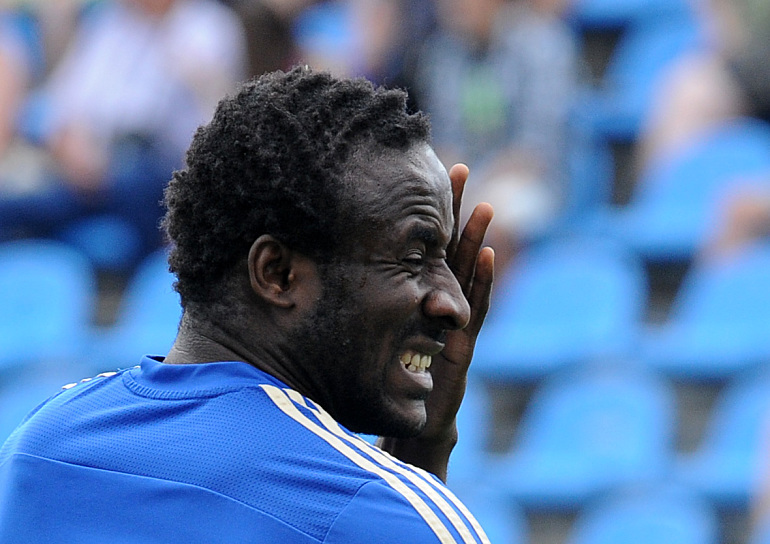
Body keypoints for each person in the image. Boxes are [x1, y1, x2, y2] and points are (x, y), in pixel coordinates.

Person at [0, 67, 495, 543]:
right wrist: (410, 497)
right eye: (414, 258)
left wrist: (409, 474)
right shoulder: (383, 520)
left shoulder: (39, 448)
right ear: (277, 274)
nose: (456, 304)